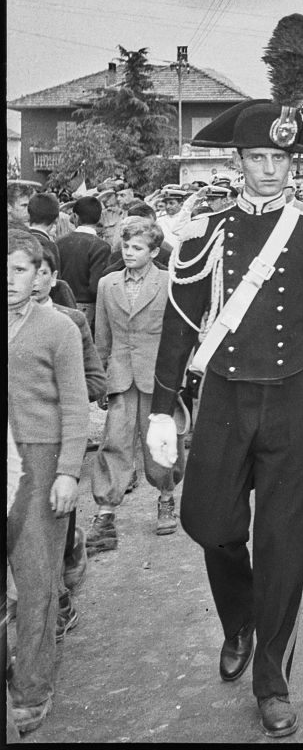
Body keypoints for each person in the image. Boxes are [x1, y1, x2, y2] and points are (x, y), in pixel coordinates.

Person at [146, 99, 303, 739]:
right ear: (238, 161)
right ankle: (238, 616)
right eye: (258, 157)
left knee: (282, 545)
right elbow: (180, 323)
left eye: (280, 158)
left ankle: (272, 680)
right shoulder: (206, 229)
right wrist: (162, 409)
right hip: (223, 397)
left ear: (293, 164)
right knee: (207, 522)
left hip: (292, 398)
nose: (269, 169)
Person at [7, 230, 90, 736]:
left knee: (37, 580)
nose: (8, 279)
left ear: (39, 273)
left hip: (40, 463)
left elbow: (77, 404)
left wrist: (68, 472)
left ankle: (32, 688)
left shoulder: (58, 328)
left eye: (18, 269)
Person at [88, 218, 182, 552]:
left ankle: (166, 497)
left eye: (137, 248)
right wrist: (100, 377)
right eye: (126, 246)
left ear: (154, 252)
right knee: (114, 441)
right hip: (120, 376)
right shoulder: (107, 284)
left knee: (159, 442)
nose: (129, 253)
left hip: (157, 377)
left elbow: (178, 334)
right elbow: (102, 335)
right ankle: (105, 513)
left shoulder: (168, 282)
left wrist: (178, 378)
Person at [30, 244, 107, 636]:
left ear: (54, 277)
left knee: (55, 520)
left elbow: (95, 380)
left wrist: (57, 396)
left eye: (41, 272)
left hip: (59, 440)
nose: (32, 281)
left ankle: (59, 595)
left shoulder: (71, 321)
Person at [55, 195, 111, 331]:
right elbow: (95, 286)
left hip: (60, 303)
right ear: (99, 217)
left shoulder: (60, 242)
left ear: (75, 216)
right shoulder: (101, 246)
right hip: (86, 306)